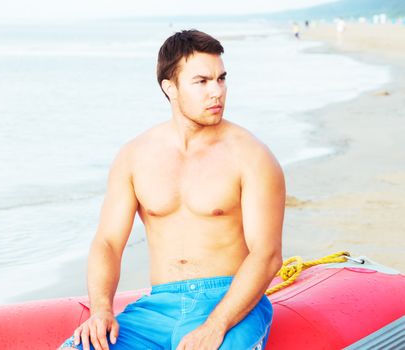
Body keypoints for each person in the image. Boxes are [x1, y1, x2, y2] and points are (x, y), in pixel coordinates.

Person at [59, 29, 285, 350]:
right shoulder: (134, 156)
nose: (216, 92)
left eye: (221, 79)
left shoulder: (252, 156)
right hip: (157, 309)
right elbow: (108, 242)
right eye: (202, 81)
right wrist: (101, 311)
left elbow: (268, 254)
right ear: (170, 87)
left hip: (231, 302)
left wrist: (215, 326)